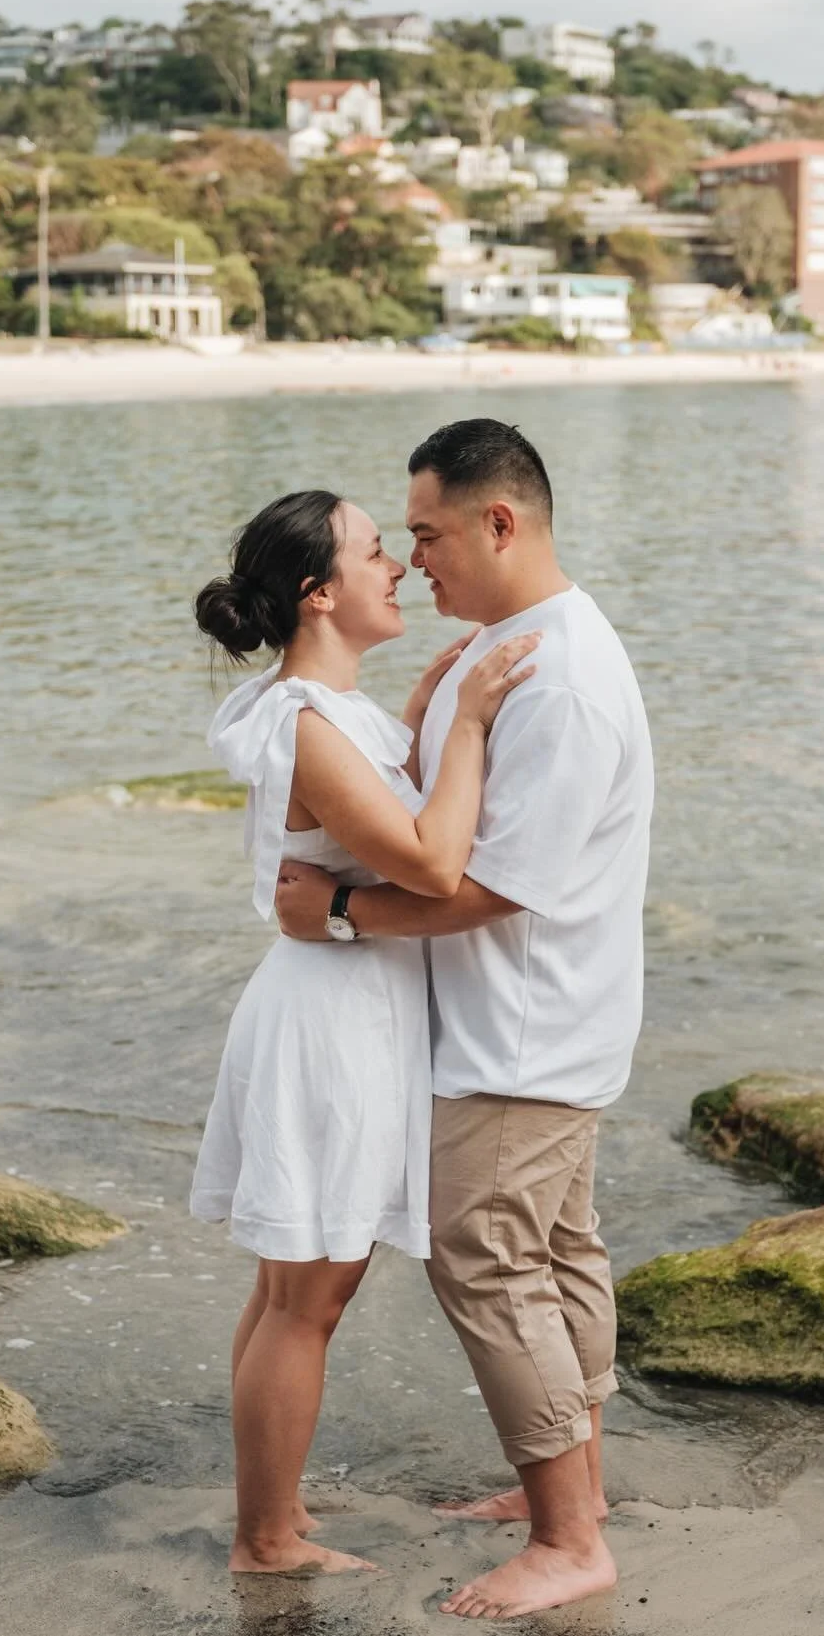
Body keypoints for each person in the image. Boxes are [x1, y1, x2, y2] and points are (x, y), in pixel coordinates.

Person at [276, 419, 654, 1621]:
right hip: (542, 1019)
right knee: (553, 1251)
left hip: (524, 1033)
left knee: (485, 1263)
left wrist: (335, 906)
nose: (416, 560)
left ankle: (568, 1536)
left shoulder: (562, 676)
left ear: (501, 523)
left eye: (429, 535)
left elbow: (489, 883)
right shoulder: (515, 645)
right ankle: (571, 1482)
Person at [190, 487, 539, 1579]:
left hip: (339, 1001)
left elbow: (397, 793)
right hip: (330, 1021)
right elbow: (433, 863)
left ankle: (271, 1508)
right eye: (378, 553)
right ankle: (268, 1538)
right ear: (319, 592)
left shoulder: (319, 706)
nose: (397, 568)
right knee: (308, 1294)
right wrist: (474, 719)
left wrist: (439, 698)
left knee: (292, 1287)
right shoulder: (305, 720)